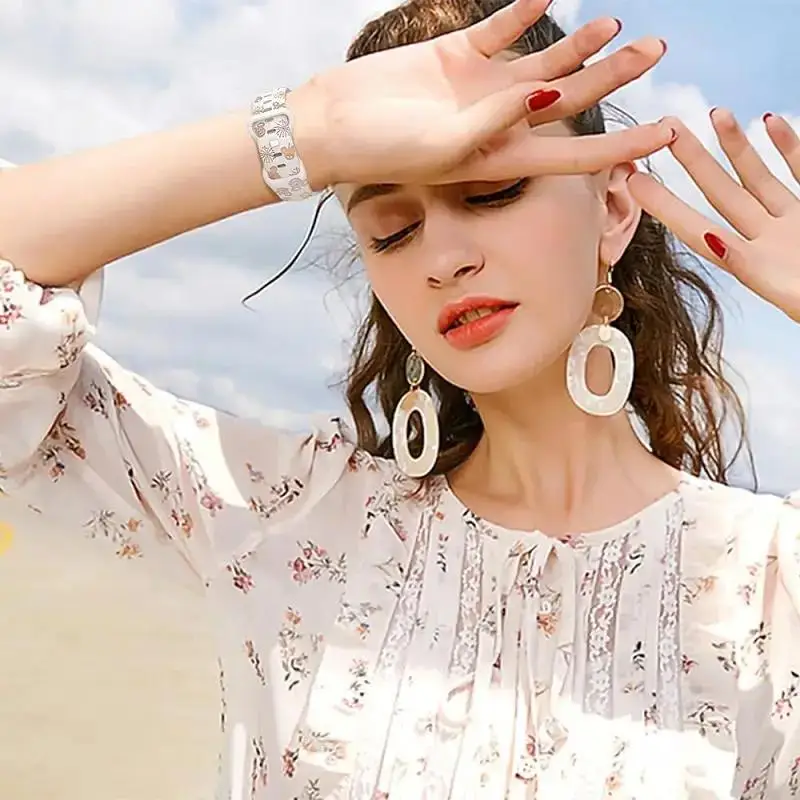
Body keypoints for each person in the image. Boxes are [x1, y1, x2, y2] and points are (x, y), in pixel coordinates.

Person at [1, 0, 799, 796]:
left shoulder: (770, 581)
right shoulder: (283, 516)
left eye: (492, 190)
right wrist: (309, 128)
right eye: (391, 230)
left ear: (614, 209)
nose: (443, 259)